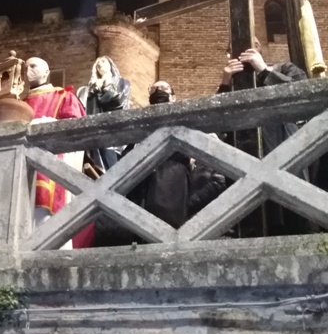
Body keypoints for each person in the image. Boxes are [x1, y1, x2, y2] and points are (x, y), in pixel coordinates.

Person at [218, 45, 309, 235]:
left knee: (290, 215)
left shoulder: (284, 68)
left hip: (280, 142)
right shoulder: (233, 79)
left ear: (258, 49)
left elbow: (302, 92)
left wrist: (263, 70)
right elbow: (219, 121)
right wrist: (225, 83)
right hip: (243, 151)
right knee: (250, 221)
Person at [128, 82, 225, 228]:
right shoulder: (141, 128)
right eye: (154, 89)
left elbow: (216, 174)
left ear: (173, 97)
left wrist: (186, 205)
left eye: (164, 88)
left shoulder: (188, 124)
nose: (159, 90)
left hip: (173, 192)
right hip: (144, 198)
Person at [24, 58, 93, 248]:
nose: (28, 70)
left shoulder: (63, 96)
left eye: (33, 66)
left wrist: (41, 124)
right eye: (25, 67)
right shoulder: (20, 103)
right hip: (22, 167)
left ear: (47, 72)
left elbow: (76, 130)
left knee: (45, 221)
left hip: (50, 166)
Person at [77, 56, 131, 172]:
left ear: (111, 65)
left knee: (111, 167)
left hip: (113, 132)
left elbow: (117, 101)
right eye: (97, 64)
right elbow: (82, 109)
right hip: (93, 133)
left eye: (103, 61)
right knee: (93, 166)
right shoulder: (89, 89)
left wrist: (107, 85)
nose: (100, 64)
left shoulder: (122, 83)